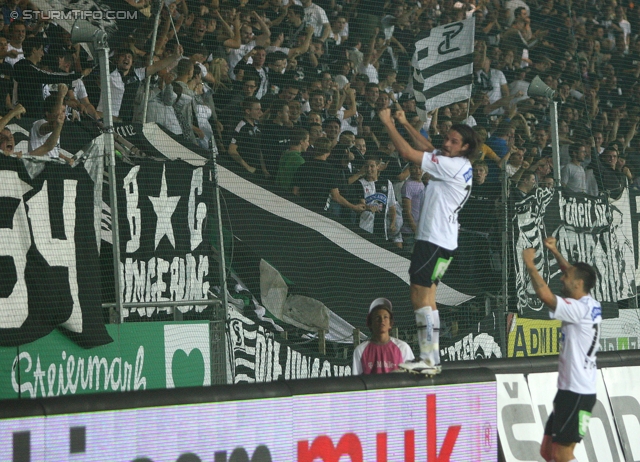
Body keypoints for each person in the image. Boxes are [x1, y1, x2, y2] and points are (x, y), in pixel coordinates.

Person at [379, 107, 479, 374]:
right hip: (445, 242)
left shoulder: (451, 165)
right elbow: (429, 148)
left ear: (465, 147)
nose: (446, 143)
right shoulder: (459, 162)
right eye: (446, 138)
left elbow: (408, 154)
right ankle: (430, 358)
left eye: (453, 141)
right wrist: (405, 122)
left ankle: (428, 358)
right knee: (429, 296)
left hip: (433, 240)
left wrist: (388, 124)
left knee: (418, 294)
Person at [522, 237, 602, 462]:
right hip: (569, 391)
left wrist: (530, 264)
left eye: (565, 276)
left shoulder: (577, 310)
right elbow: (572, 272)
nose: (561, 276)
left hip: (578, 392)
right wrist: (555, 251)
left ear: (578, 284)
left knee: (562, 454)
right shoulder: (590, 303)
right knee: (548, 452)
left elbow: (546, 296)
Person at [352, 298, 414, 374]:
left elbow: (412, 376)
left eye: (385, 317)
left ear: (390, 323)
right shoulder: (360, 350)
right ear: (370, 323)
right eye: (377, 317)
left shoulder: (403, 348)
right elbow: (357, 381)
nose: (382, 321)